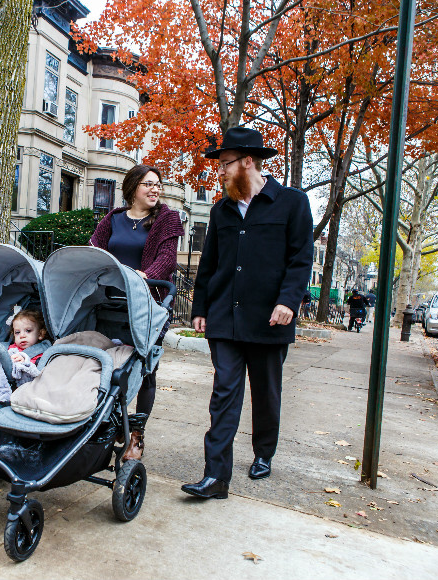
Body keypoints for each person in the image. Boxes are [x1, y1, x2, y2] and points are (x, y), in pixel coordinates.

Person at [181, 126, 313, 500]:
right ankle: (216, 476)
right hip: (225, 317)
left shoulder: (291, 202)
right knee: (223, 393)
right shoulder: (221, 210)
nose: (219, 172)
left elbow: (301, 259)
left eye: (224, 164)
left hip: (271, 318)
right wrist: (201, 308)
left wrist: (288, 301)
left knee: (266, 392)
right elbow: (209, 264)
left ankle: (263, 452)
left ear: (248, 162)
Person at [90, 164, 184, 461]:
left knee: (145, 370)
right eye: (148, 184)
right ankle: (107, 419)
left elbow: (167, 259)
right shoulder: (113, 218)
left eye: (158, 184)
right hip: (110, 303)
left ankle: (137, 434)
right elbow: (94, 249)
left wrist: (143, 277)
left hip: (148, 304)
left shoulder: (167, 219)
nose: (155, 189)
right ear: (132, 189)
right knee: (106, 364)